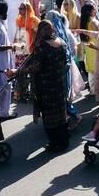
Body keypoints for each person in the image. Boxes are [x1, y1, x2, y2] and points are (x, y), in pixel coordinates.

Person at [25, 19, 72, 153]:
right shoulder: (61, 43)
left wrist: (23, 70)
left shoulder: (41, 47)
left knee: (49, 116)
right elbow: (65, 63)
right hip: (59, 85)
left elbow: (37, 67)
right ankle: (63, 141)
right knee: (61, 114)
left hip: (46, 87)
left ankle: (54, 142)